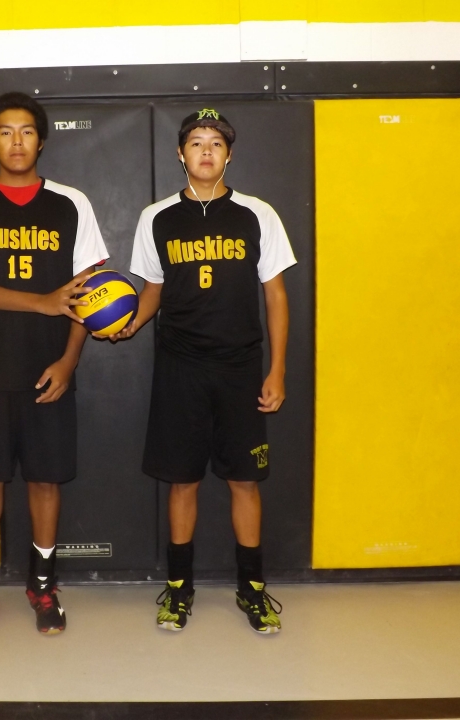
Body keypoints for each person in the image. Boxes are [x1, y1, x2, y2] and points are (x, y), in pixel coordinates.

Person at [0, 91, 108, 646]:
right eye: (5, 132)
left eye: (27, 131)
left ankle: (42, 587)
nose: (16, 142)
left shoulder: (71, 203)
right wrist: (41, 301)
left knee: (45, 480)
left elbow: (90, 293)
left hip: (48, 369)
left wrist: (68, 360)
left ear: (42, 139)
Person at [114, 108, 296, 634]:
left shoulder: (258, 214)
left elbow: (276, 296)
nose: (207, 151)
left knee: (244, 481)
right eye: (196, 142)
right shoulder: (156, 218)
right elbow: (152, 289)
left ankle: (253, 590)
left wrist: (278, 368)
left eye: (216, 142)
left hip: (241, 368)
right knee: (182, 482)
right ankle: (178, 590)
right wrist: (130, 324)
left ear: (229, 154)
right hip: (181, 368)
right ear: (181, 153)